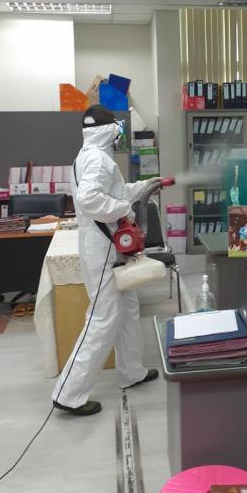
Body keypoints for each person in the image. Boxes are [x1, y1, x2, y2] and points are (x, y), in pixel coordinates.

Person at [52, 105, 159, 417]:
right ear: (109, 130)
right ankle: (68, 393)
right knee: (102, 318)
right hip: (103, 249)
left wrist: (145, 186)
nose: (119, 135)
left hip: (105, 245)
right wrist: (124, 209)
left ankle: (132, 371)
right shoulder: (99, 159)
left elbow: (114, 191)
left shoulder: (89, 155)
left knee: (128, 308)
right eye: (117, 129)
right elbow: (89, 199)